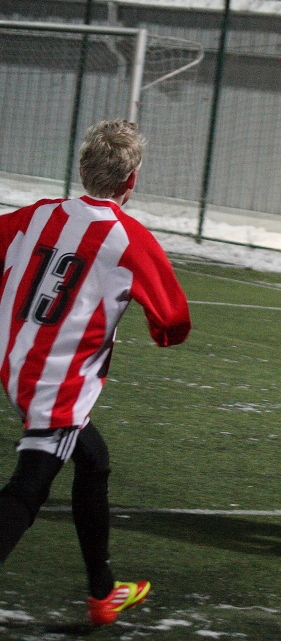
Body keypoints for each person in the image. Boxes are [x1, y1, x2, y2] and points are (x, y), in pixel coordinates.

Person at [0, 119, 191, 625]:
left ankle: (103, 591)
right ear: (131, 182)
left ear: (81, 168)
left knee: (94, 458)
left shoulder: (35, 215)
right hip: (57, 385)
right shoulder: (130, 239)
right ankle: (102, 594)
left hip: (17, 365)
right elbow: (173, 323)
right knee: (29, 487)